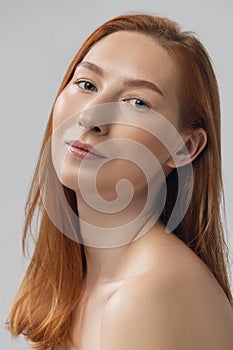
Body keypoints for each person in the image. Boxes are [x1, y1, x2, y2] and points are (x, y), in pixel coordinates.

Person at [8, 13, 233, 350]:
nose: (89, 116)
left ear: (184, 147)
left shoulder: (147, 296)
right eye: (86, 84)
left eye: (137, 102)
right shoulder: (81, 288)